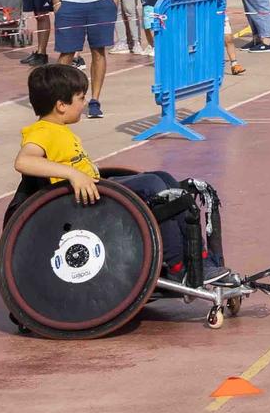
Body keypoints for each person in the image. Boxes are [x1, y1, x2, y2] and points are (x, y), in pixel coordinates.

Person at [13, 62, 230, 286]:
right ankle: (178, 265)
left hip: (98, 190)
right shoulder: (42, 131)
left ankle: (200, 260)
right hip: (80, 206)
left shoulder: (60, 131)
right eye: (81, 98)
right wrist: (72, 174)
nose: (85, 103)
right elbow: (24, 161)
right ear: (61, 105)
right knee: (155, 188)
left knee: (164, 180)